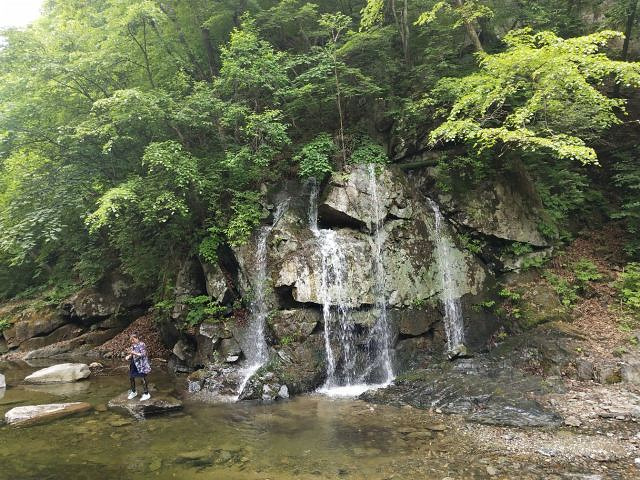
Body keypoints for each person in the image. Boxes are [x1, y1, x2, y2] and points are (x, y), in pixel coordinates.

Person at [126, 333, 151, 401]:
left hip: (141, 364)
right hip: (134, 363)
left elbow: (143, 354)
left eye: (133, 340)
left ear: (137, 338)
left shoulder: (142, 344)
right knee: (131, 377)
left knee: (142, 378)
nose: (132, 341)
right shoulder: (133, 345)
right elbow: (132, 353)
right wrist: (129, 356)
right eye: (131, 340)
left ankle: (146, 394)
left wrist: (133, 353)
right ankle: (133, 392)